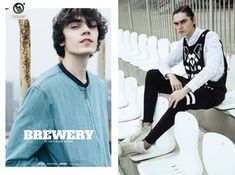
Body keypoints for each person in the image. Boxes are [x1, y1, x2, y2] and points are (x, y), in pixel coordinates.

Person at [6, 8, 111, 166]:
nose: (86, 30)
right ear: (62, 39)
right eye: (75, 26)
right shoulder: (43, 91)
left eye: (92, 26)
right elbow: (15, 161)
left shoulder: (99, 86)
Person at [119, 5, 227, 156]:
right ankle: (146, 126)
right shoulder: (183, 43)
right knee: (153, 75)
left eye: (183, 22)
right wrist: (171, 75)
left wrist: (183, 90)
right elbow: (163, 63)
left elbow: (211, 69)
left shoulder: (209, 37)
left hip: (212, 91)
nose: (180, 27)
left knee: (179, 100)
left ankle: (145, 144)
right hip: (194, 86)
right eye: (176, 24)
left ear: (193, 20)